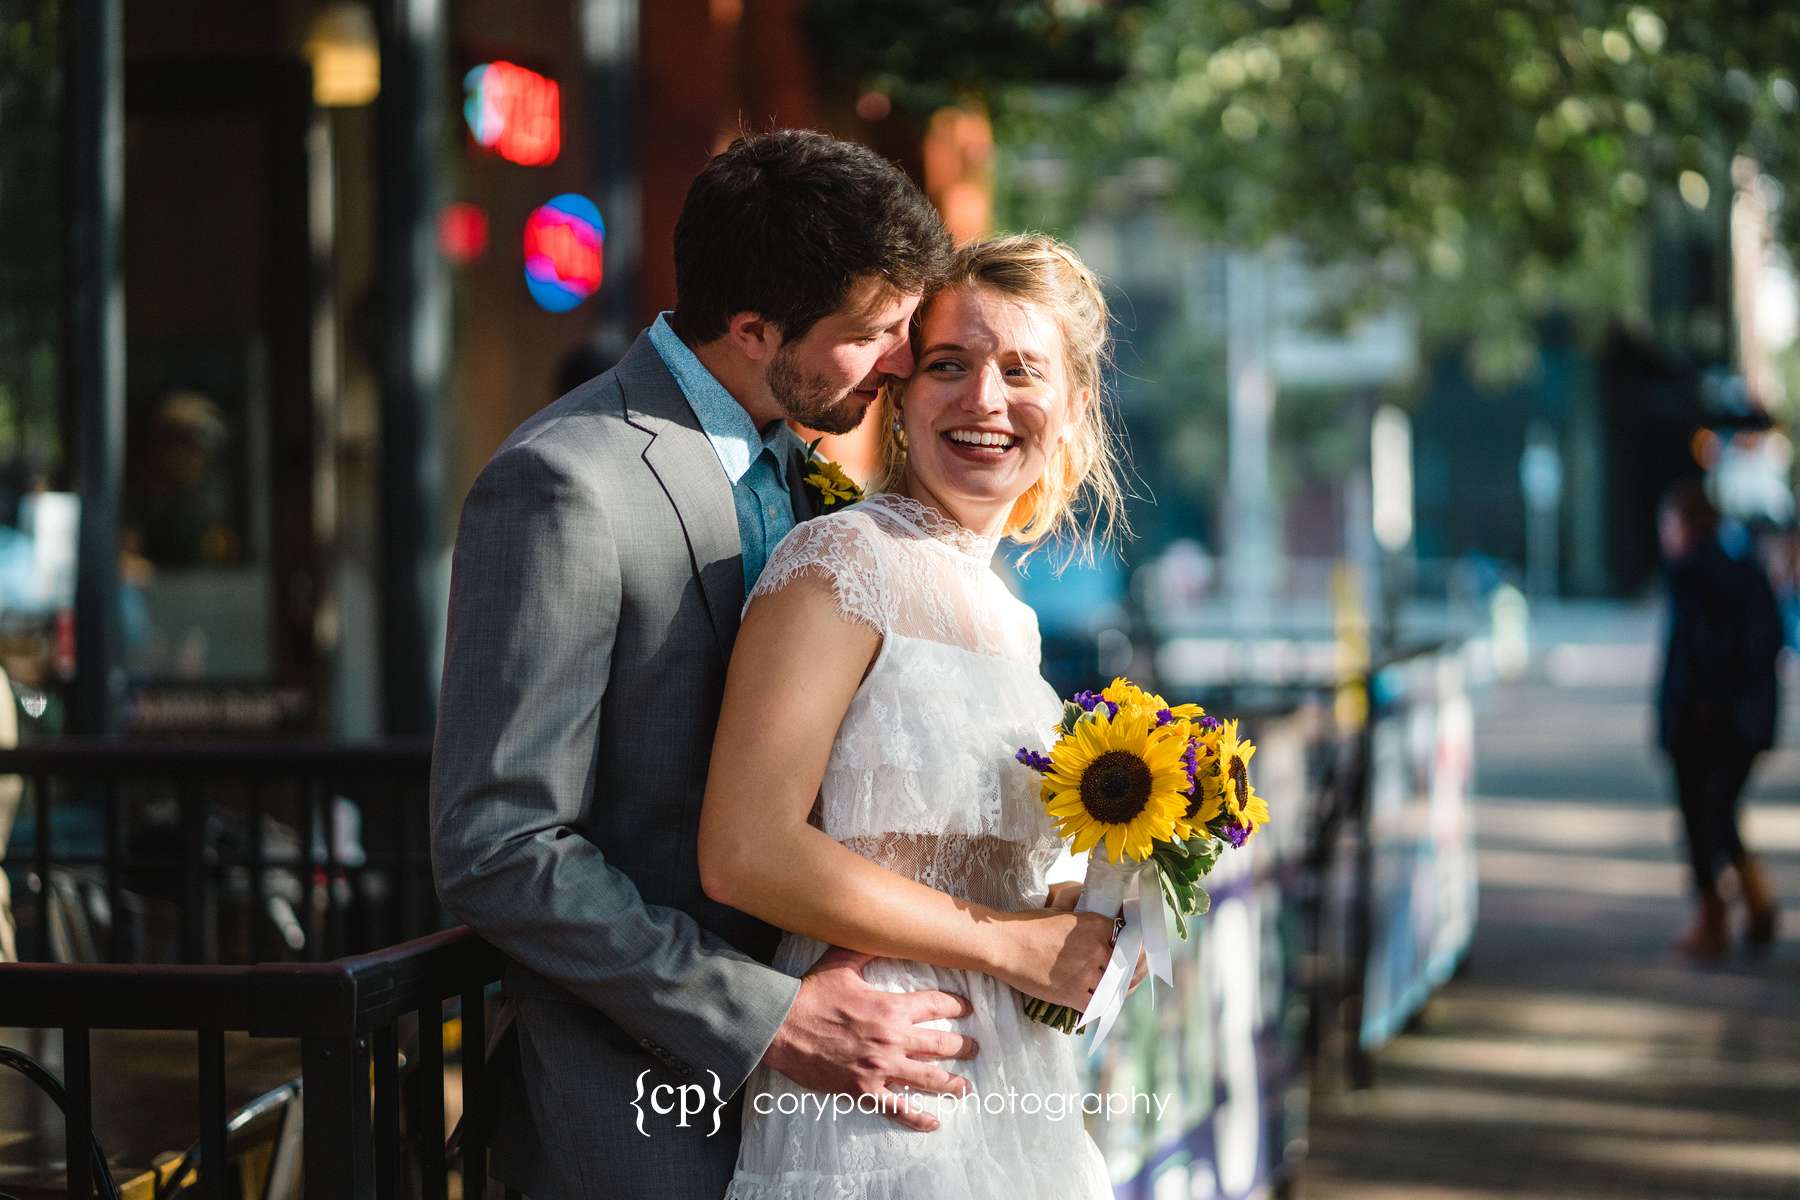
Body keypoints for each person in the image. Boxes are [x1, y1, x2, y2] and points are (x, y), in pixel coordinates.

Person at [430, 131, 1108, 1200]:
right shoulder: (567, 484)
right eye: (880, 334)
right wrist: (770, 1016)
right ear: (754, 330)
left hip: (873, 1099)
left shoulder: (810, 477)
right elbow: (498, 844)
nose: (898, 363)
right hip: (642, 1104)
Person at [702, 234, 1131, 1198]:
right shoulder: (838, 562)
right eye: (949, 365)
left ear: (1070, 411)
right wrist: (1004, 943)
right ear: (899, 394)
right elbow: (743, 848)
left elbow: (948, 851)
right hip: (875, 1081)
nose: (984, 400)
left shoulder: (1009, 618)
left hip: (1015, 1087)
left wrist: (1083, 926)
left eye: (1023, 371)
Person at [1655, 479, 1783, 961]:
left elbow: (1695, 659)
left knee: (1703, 818)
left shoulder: (1692, 575)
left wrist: (1693, 716)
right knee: (1720, 815)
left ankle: (1717, 919)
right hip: (1743, 723)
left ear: (1684, 526)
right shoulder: (1741, 569)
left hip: (1705, 727)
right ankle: (1756, 904)